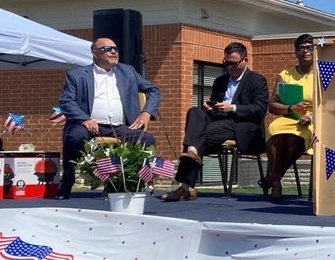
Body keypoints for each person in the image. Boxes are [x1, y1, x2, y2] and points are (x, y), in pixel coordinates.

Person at [54, 37, 162, 199]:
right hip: (88, 125)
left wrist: (146, 113)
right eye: (107, 49)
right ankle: (67, 182)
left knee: (147, 139)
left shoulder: (128, 71)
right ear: (95, 53)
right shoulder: (76, 75)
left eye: (115, 49)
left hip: (120, 127)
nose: (113, 51)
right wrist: (84, 119)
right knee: (74, 137)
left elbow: (154, 91)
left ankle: (128, 184)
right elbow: (66, 101)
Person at [161, 42, 270, 201]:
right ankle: (191, 154)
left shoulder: (257, 80)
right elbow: (215, 104)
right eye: (226, 63)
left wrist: (232, 108)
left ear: (245, 60)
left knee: (197, 136)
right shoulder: (220, 80)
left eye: (233, 63)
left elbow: (259, 109)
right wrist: (211, 107)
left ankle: (186, 186)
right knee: (195, 112)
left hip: (242, 126)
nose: (229, 67)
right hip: (219, 121)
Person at [262, 34, 316, 203]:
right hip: (290, 116)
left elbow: (331, 104)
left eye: (309, 47)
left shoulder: (324, 73)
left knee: (295, 138)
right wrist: (291, 108)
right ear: (295, 52)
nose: (305, 51)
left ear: (315, 50)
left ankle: (274, 178)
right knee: (274, 130)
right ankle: (277, 181)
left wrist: (311, 116)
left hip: (314, 119)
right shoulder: (286, 74)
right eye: (301, 48)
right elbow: (272, 105)